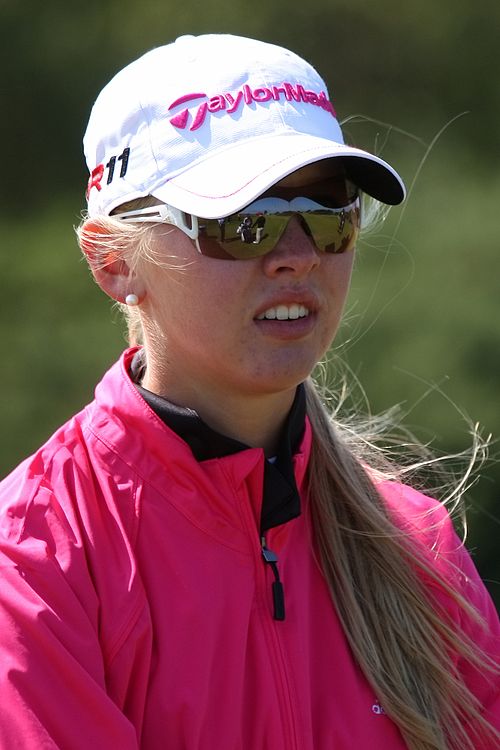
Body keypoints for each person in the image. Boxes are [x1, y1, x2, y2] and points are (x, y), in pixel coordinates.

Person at [0, 33, 498, 750]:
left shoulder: (418, 546)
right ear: (113, 262)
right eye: (243, 224)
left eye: (329, 215)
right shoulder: (37, 560)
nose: (296, 257)